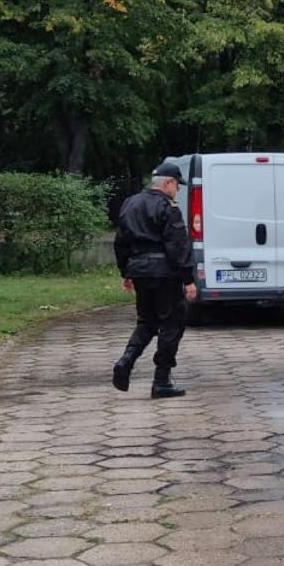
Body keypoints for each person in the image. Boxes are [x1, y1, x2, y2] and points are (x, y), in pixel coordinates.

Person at [112, 162, 196, 399]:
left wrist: (125, 272)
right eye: (177, 185)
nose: (177, 190)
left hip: (139, 270)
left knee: (146, 321)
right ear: (169, 183)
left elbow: (120, 242)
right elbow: (177, 245)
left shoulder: (131, 203)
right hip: (164, 273)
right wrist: (188, 279)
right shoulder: (168, 207)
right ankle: (161, 381)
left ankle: (125, 361)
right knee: (172, 323)